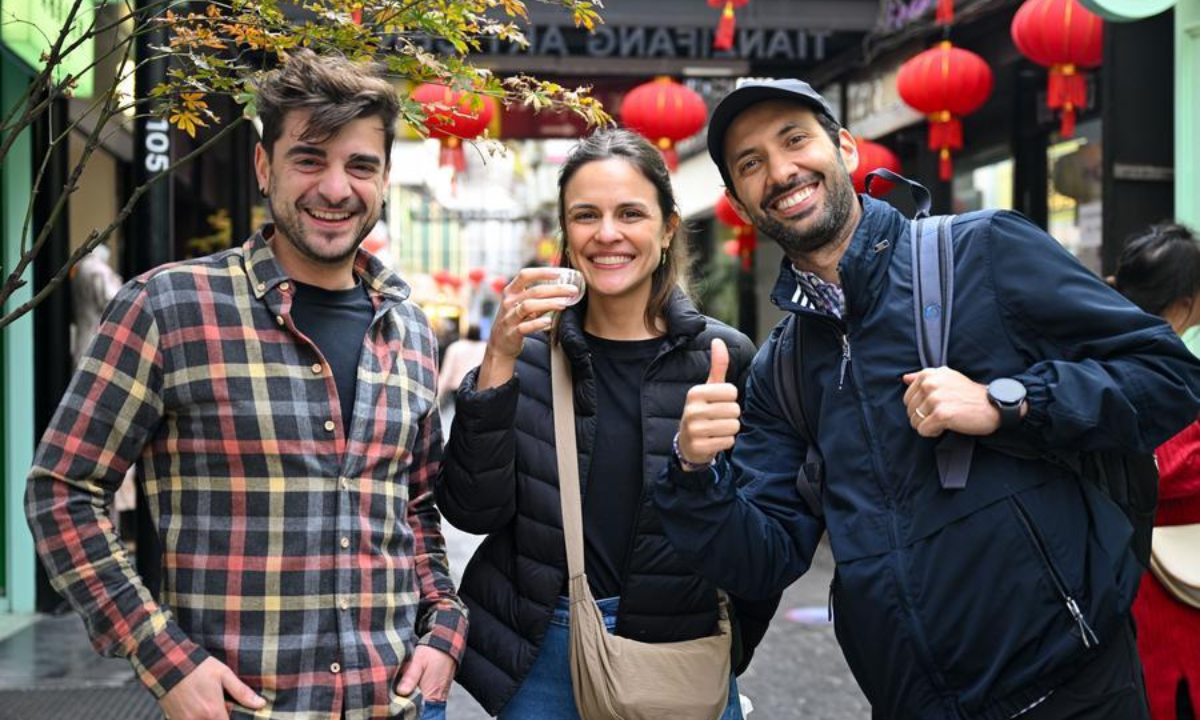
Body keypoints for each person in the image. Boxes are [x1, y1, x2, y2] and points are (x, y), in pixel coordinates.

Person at [652, 78, 1200, 720]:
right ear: (740, 204)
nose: (780, 171)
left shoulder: (984, 249)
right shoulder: (785, 368)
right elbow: (764, 559)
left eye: (795, 140)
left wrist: (1011, 402)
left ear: (847, 149)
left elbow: (1168, 376)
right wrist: (694, 473)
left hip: (1074, 691)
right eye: (751, 164)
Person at [25, 50, 464, 720]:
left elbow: (415, 506)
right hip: (241, 708)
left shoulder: (407, 328)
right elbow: (62, 492)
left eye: (360, 165)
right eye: (309, 159)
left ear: (383, 179)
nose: (336, 188)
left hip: (391, 702)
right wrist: (163, 656)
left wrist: (443, 627)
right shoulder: (168, 307)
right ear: (265, 167)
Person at [435, 128, 776, 719]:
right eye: (586, 215)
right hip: (547, 649)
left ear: (668, 228)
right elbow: (471, 511)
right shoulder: (530, 356)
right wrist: (497, 363)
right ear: (565, 232)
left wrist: (699, 471)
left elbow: (762, 539)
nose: (608, 234)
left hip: (681, 641)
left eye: (631, 213)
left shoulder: (725, 358)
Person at [1114, 223, 1200, 720]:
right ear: (1185, 305)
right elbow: (1167, 466)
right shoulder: (1165, 367)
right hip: (1167, 585)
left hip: (1120, 574)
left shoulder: (1096, 355)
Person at [436, 324, 487, 407]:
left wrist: (439, 392)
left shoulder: (456, 347)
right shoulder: (485, 348)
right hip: (477, 388)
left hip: (458, 388)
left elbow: (447, 372)